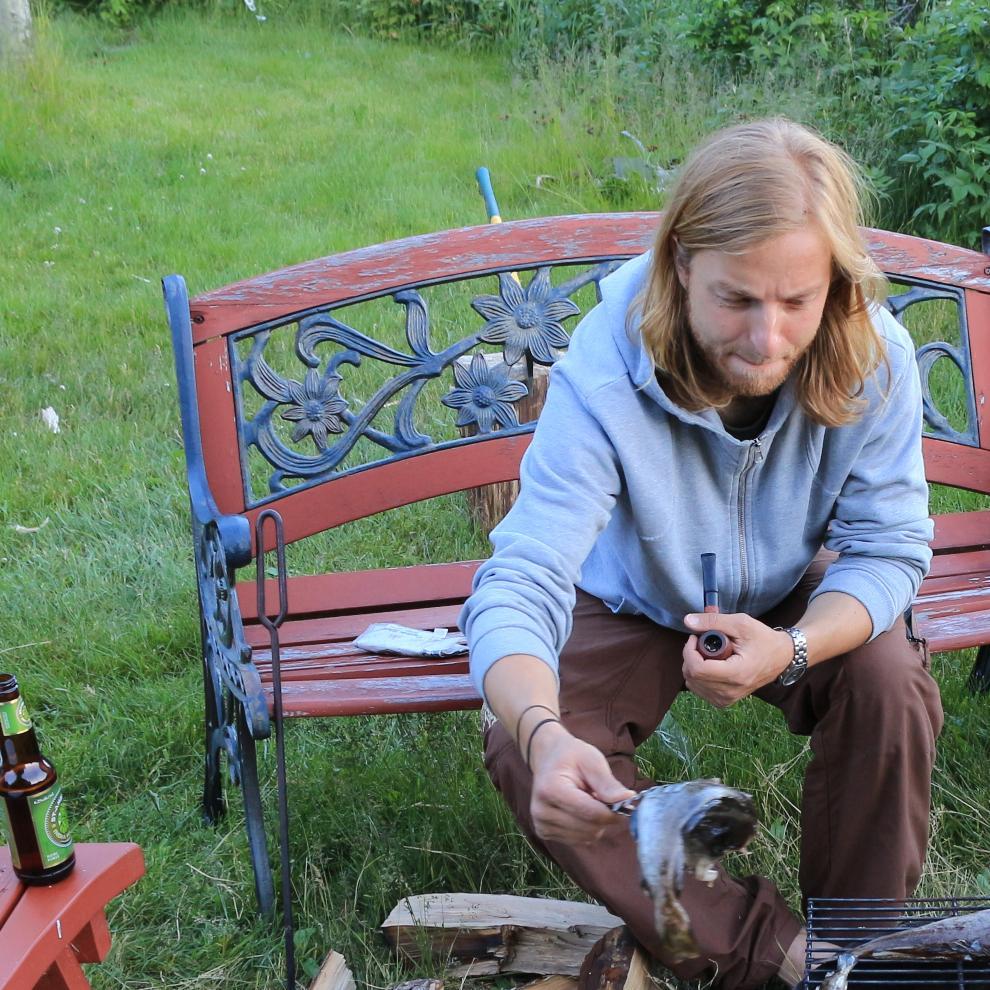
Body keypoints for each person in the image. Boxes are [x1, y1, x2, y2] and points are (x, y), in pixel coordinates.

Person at [459, 118, 944, 990]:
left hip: (795, 590)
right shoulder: (607, 363)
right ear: (681, 263)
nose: (767, 340)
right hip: (635, 596)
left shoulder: (874, 351)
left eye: (797, 302)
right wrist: (540, 728)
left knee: (890, 680)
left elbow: (891, 548)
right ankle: (785, 961)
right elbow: (524, 572)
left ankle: (862, 948)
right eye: (737, 300)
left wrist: (791, 647)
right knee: (522, 738)